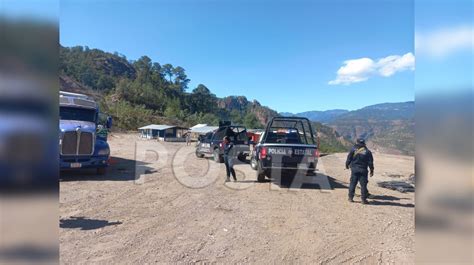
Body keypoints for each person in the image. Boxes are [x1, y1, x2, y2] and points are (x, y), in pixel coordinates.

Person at [345, 138, 374, 204]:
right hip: (363, 170)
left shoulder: (353, 149)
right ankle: (363, 200)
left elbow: (349, 158)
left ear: (357, 142)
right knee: (363, 185)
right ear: (364, 144)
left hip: (354, 169)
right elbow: (370, 162)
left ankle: (350, 198)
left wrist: (347, 165)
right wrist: (372, 170)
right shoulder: (368, 151)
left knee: (352, 183)